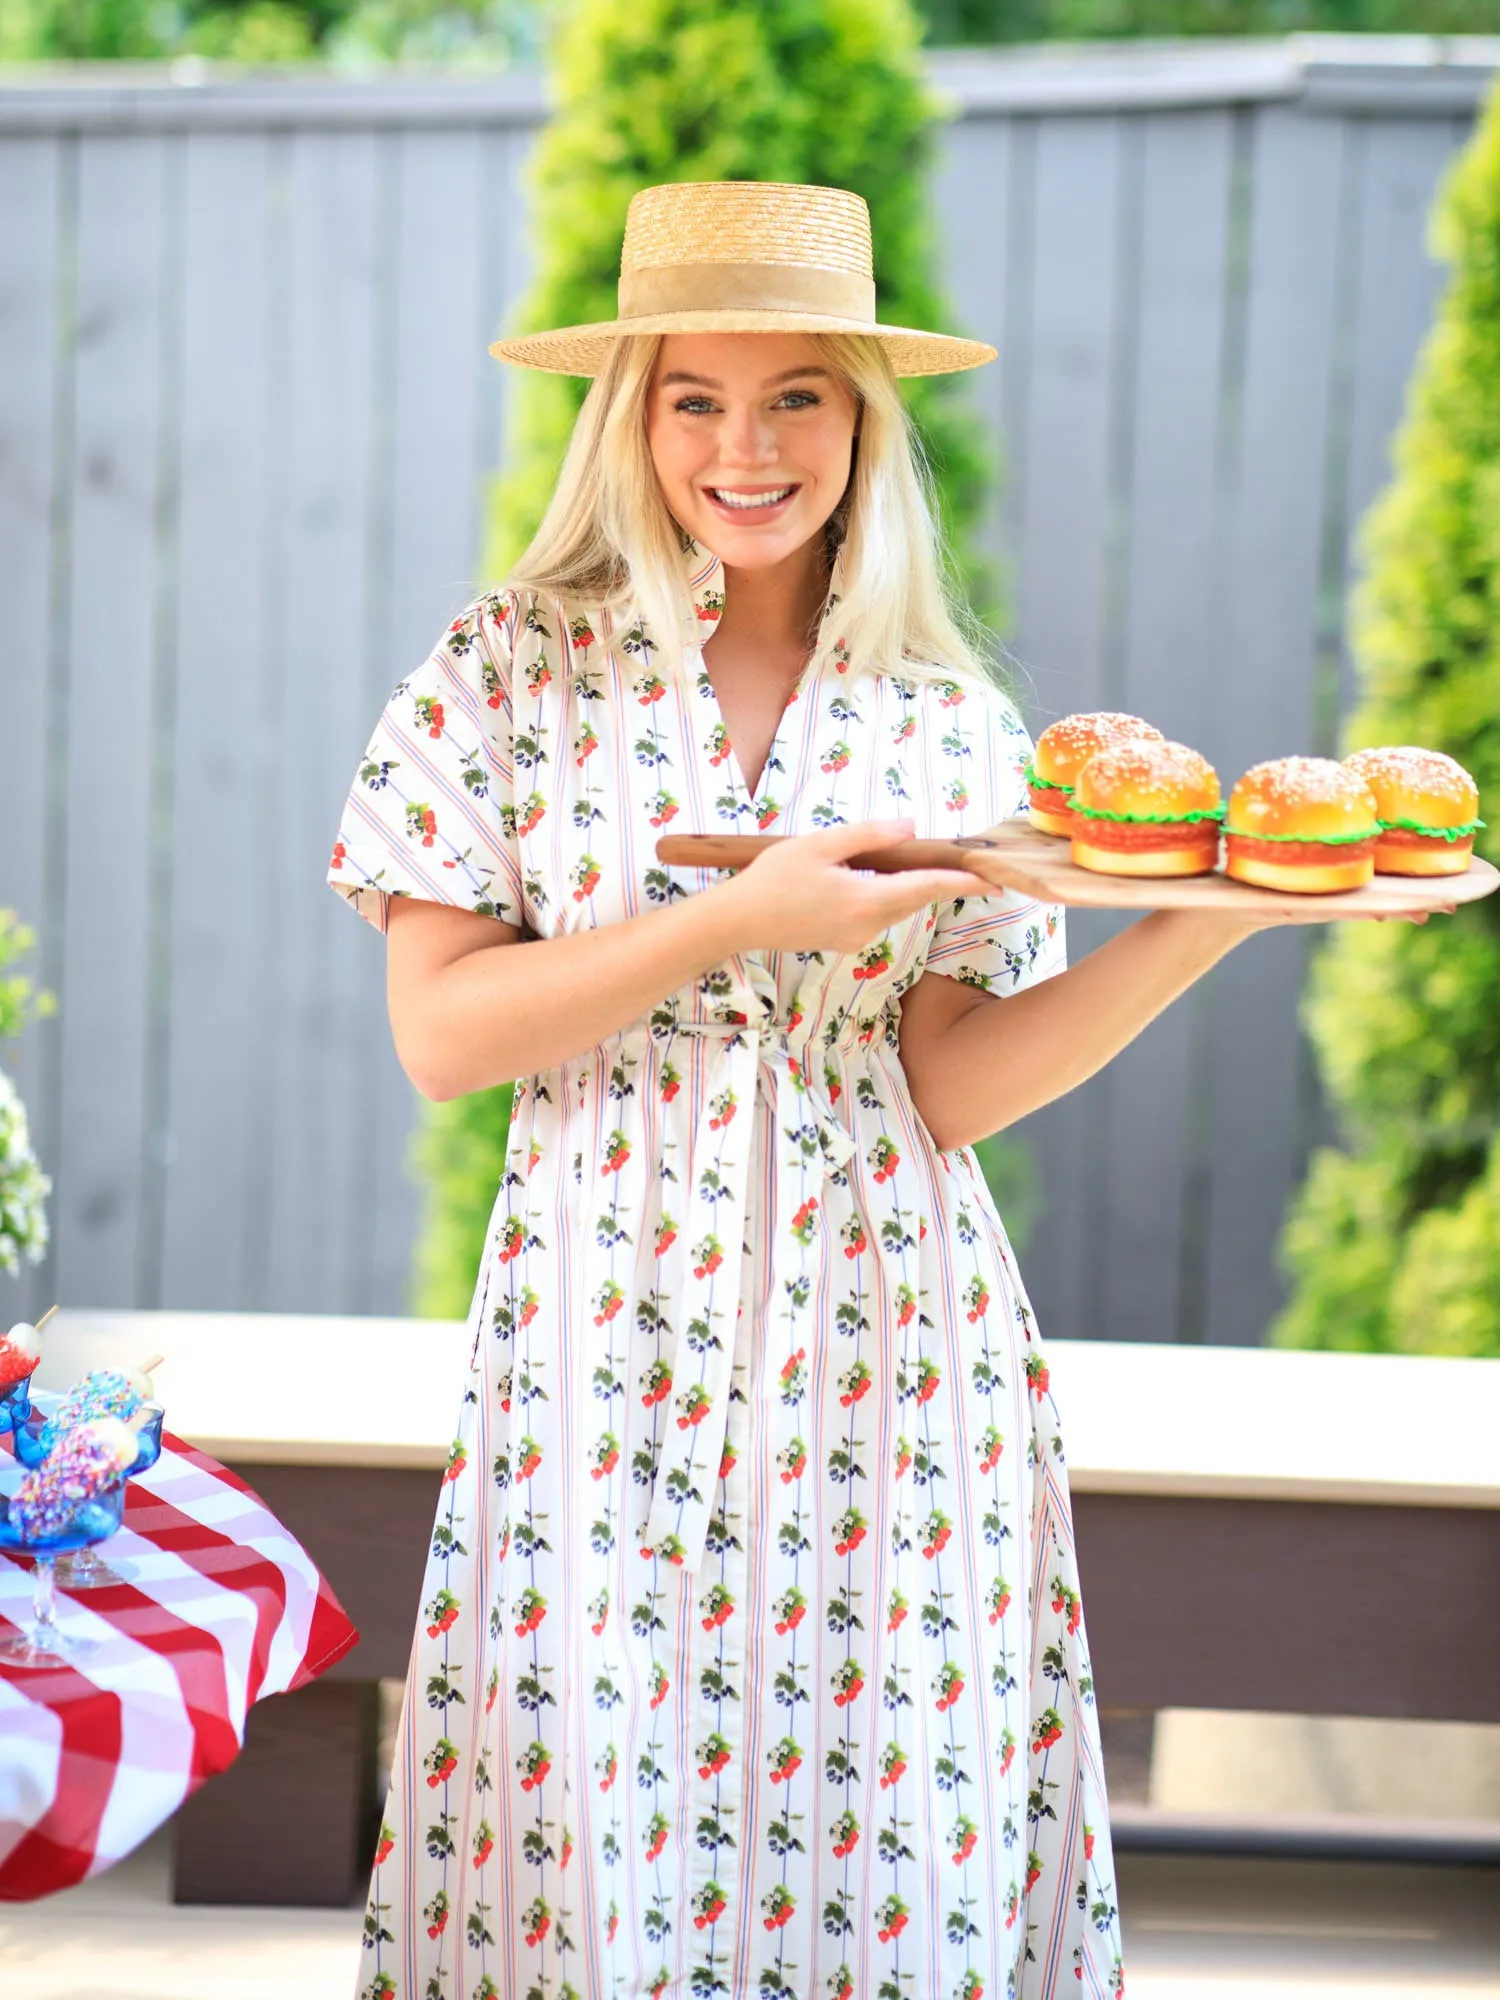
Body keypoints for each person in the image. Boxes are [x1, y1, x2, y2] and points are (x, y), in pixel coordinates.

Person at [327, 179, 1356, 2000]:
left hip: (891, 1333)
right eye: (696, 398)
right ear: (630, 414)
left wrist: (1209, 924)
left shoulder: (945, 718)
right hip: (602, 1320)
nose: (748, 445)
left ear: (864, 417)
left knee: (885, 1810)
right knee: (591, 1796)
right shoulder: (503, 667)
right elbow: (444, 1034)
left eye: (799, 393)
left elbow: (949, 1085)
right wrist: (738, 916)